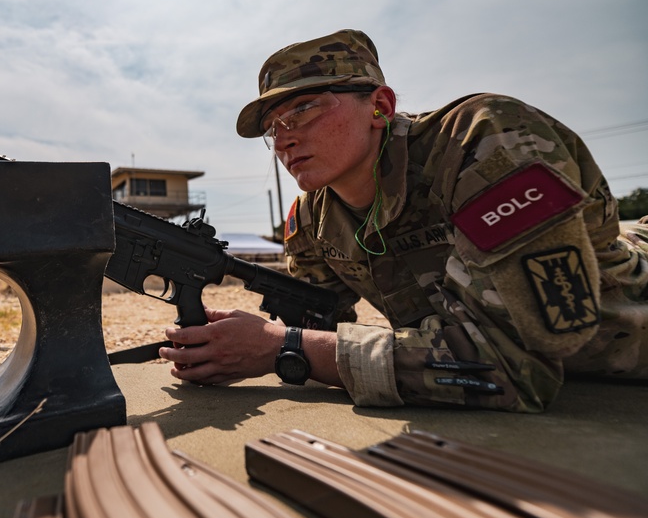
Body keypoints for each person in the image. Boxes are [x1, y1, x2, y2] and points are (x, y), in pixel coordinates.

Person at [159, 29, 648, 412]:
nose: (284, 139)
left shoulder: (480, 143)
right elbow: (318, 325)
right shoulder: (310, 220)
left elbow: (513, 368)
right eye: (273, 128)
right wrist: (231, 344)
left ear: (380, 106)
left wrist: (281, 348)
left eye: (303, 109)